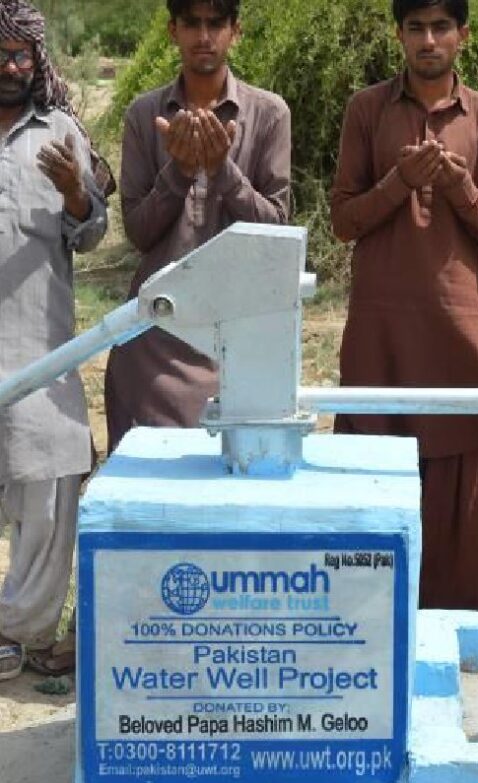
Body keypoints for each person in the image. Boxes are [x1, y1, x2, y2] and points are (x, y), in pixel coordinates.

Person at [330, 0, 478, 611]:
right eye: (416, 28)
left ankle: (456, 638)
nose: (429, 40)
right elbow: (342, 221)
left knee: (457, 492)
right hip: (380, 333)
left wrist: (460, 188)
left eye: (441, 28)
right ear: (400, 35)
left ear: (463, 35)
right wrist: (400, 183)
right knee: (370, 481)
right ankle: (366, 634)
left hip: (456, 333)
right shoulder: (367, 109)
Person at [104, 0, 291, 452]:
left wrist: (222, 171)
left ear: (235, 31)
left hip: (237, 331)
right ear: (173, 30)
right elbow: (140, 232)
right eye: (191, 23)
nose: (203, 36)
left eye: (215, 24)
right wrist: (180, 172)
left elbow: (277, 232)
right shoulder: (145, 115)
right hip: (156, 337)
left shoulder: (268, 114)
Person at [0, 0, 108, 680]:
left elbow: (92, 232)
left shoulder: (61, 130)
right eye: (1, 52)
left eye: (22, 54)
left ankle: (22, 633)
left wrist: (75, 193)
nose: (12, 65)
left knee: (47, 487)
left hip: (37, 342)